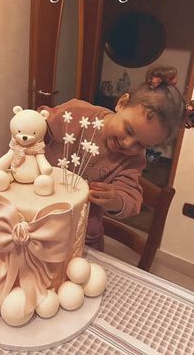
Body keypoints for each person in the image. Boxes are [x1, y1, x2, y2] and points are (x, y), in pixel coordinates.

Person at [38, 66, 185, 251]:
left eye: (142, 145)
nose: (128, 144)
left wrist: (116, 199)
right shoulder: (77, 113)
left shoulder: (133, 161)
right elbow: (40, 123)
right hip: (39, 215)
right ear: (122, 103)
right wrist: (35, 125)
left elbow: (132, 198)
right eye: (129, 130)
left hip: (83, 235)